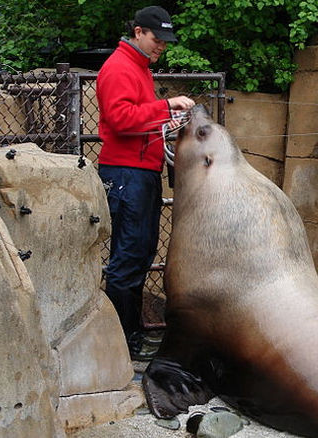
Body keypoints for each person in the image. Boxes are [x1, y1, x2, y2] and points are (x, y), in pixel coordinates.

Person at [96, 5, 195, 360]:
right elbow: (120, 119)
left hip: (140, 172)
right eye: (157, 39)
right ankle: (122, 344)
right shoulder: (120, 67)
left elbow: (137, 120)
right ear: (138, 32)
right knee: (128, 260)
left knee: (138, 256)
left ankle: (131, 338)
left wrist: (164, 122)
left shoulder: (138, 67)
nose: (161, 46)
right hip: (126, 174)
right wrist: (165, 108)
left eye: (165, 41)